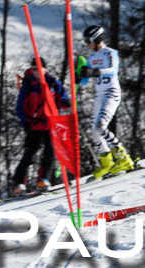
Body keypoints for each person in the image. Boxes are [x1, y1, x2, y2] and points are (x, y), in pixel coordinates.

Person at [76, 25, 135, 178]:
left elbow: (112, 70)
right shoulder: (90, 57)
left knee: (101, 126)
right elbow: (83, 81)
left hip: (111, 93)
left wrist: (94, 72)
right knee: (94, 130)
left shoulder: (110, 53)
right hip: (99, 95)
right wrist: (79, 75)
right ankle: (107, 162)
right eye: (85, 41)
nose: (87, 44)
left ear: (97, 38)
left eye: (89, 40)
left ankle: (123, 157)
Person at [12, 57, 71, 196]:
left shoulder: (53, 83)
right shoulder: (28, 85)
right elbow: (20, 106)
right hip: (34, 124)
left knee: (49, 153)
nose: (36, 72)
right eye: (34, 69)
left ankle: (43, 180)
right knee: (29, 153)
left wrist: (66, 102)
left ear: (44, 69)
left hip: (50, 123)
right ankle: (19, 183)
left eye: (39, 69)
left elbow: (62, 98)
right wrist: (25, 121)